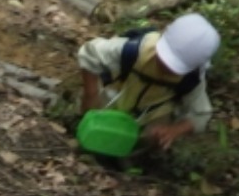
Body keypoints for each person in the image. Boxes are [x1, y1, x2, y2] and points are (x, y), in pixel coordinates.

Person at [72, 13, 221, 151]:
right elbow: (90, 53)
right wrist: (91, 94)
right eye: (163, 60)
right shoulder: (134, 50)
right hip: (110, 100)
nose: (166, 69)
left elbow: (201, 114)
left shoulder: (191, 79)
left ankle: (133, 154)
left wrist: (174, 131)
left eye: (174, 68)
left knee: (146, 141)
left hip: (145, 121)